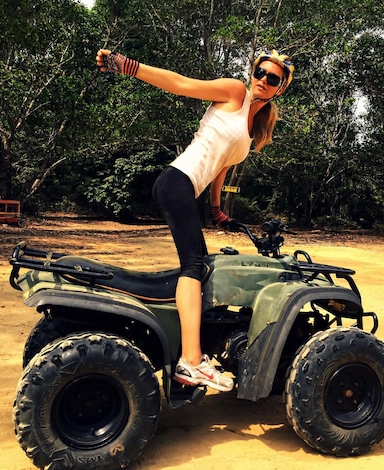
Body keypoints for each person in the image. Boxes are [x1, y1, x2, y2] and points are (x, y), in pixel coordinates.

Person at [96, 47, 294, 392]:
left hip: (186, 186)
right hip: (177, 181)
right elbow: (181, 83)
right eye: (259, 72)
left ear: (281, 87)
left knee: (199, 265)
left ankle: (190, 352)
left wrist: (218, 210)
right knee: (194, 266)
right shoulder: (235, 93)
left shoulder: (250, 129)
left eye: (272, 78)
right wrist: (128, 66)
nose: (262, 79)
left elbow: (220, 169)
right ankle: (191, 361)